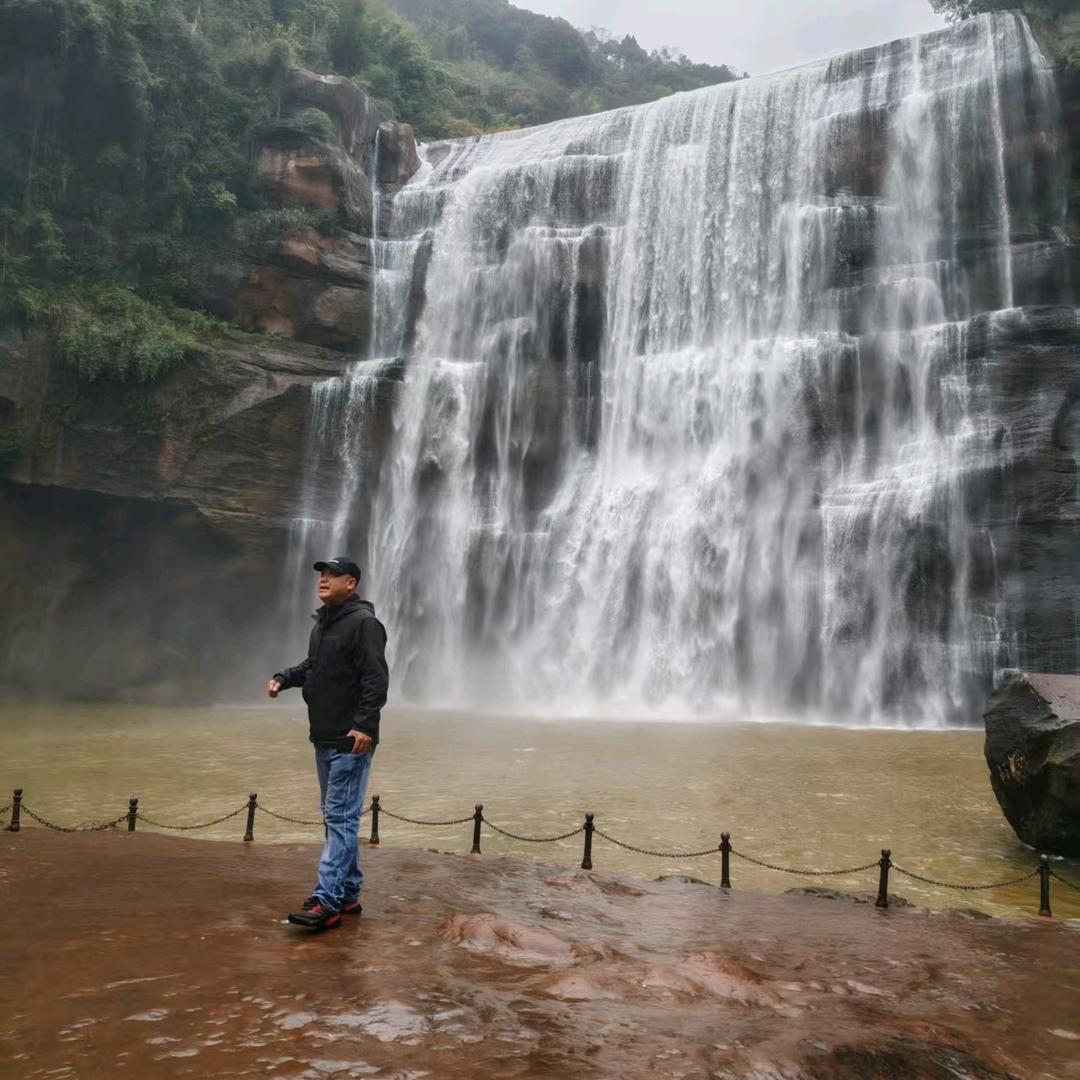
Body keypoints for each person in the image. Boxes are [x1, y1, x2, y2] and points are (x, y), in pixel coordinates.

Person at [268, 557, 389, 931]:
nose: (323, 580)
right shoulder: (323, 624)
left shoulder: (365, 624)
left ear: (350, 583)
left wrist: (365, 726)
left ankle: (327, 901)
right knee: (337, 817)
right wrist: (284, 677)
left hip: (350, 740)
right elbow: (313, 666)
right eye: (321, 574)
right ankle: (348, 892)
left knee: (339, 818)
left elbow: (376, 678)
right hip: (324, 736)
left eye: (332, 575)